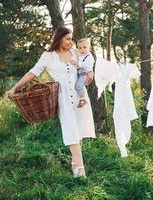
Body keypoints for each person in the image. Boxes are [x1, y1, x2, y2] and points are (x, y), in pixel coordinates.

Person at [6, 27, 96, 178]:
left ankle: (75, 162)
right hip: (63, 98)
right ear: (59, 38)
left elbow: (87, 61)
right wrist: (15, 87)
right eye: (67, 39)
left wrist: (90, 73)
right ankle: (80, 170)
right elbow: (33, 72)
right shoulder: (48, 56)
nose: (70, 42)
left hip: (80, 95)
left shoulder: (75, 52)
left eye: (71, 39)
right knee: (70, 131)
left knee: (79, 130)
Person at [70, 38, 95, 108]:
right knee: (78, 86)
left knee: (78, 86)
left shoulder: (89, 57)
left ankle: (83, 99)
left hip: (85, 74)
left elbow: (86, 65)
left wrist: (77, 63)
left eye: (84, 47)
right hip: (80, 74)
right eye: (80, 48)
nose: (82, 49)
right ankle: (80, 97)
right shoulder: (80, 55)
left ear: (89, 48)